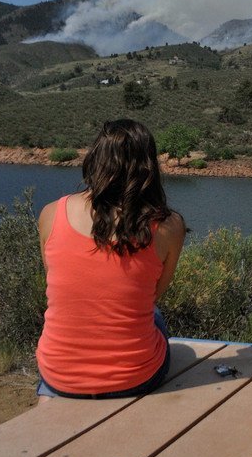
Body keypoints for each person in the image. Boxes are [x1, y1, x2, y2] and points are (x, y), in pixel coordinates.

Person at [35, 119, 186, 400]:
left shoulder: (51, 213)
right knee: (154, 315)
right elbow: (153, 294)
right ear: (149, 167)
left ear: (95, 160)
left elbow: (57, 283)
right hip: (135, 377)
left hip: (58, 374)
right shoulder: (169, 226)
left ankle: (51, 395)